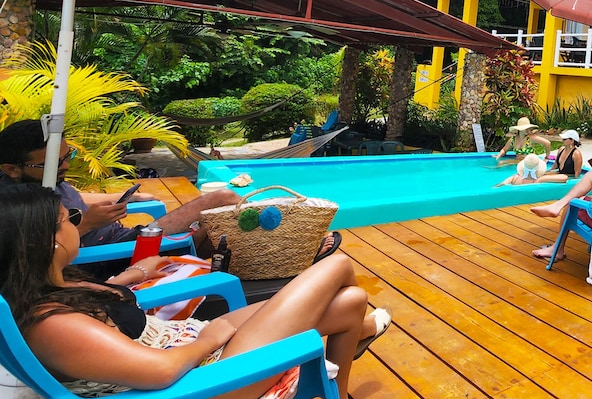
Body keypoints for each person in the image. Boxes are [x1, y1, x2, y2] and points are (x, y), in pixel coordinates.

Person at [0, 184, 390, 399]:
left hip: (189, 349)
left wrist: (135, 275)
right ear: (49, 241)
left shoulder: (51, 286)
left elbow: (111, 312)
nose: (76, 222)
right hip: (195, 393)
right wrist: (210, 337)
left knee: (350, 302)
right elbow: (160, 373)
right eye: (69, 218)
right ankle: (359, 340)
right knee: (335, 268)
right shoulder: (52, 323)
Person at [0, 120, 342, 262]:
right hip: (116, 255)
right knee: (222, 202)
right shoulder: (17, 207)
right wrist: (87, 224)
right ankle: (288, 252)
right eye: (51, 164)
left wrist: (126, 199)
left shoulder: (45, 182)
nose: (64, 167)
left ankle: (285, 252)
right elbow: (45, 258)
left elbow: (78, 198)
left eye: (67, 157)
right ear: (11, 169)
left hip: (126, 234)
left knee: (217, 227)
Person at [496, 153, 569, 187]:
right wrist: (541, 179)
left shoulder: (515, 178)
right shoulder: (537, 180)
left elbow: (500, 185)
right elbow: (564, 177)